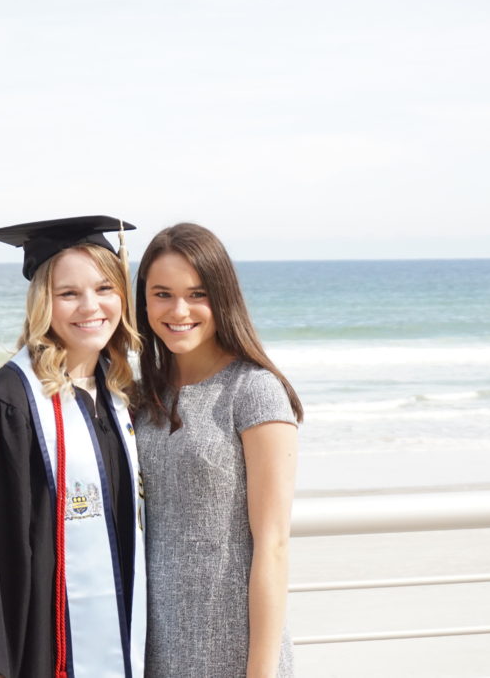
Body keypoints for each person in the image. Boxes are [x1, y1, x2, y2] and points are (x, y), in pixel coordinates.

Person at [0, 216, 147, 678]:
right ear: (42, 304)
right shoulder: (2, 408)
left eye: (104, 288)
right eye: (68, 293)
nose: (90, 306)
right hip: (41, 650)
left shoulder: (121, 396)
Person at [133, 223, 303, 678]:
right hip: (153, 648)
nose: (179, 310)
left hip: (232, 651)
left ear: (222, 297)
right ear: (143, 301)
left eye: (197, 293)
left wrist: (260, 673)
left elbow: (274, 543)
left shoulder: (253, 391)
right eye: (162, 294)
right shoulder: (138, 396)